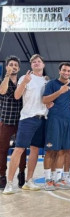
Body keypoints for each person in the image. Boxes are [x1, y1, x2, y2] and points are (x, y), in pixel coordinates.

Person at [3, 54, 48, 194]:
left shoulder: (47, 81)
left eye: (38, 61)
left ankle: (29, 181)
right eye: (33, 62)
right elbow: (16, 96)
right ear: (31, 65)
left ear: (43, 64)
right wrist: (24, 82)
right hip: (28, 118)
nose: (36, 63)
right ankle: (9, 183)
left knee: (35, 150)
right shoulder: (25, 78)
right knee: (19, 149)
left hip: (42, 119)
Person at [42, 62, 70, 191]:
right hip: (54, 119)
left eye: (68, 71)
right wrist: (60, 92)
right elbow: (44, 100)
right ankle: (47, 180)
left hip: (67, 121)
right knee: (51, 150)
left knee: (63, 150)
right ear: (59, 71)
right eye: (64, 70)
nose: (66, 73)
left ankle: (57, 179)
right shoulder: (51, 84)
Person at [0, 56, 26, 189]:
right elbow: (2, 91)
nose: (13, 67)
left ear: (19, 68)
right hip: (6, 121)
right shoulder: (3, 81)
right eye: (11, 64)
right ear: (6, 67)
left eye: (16, 65)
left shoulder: (22, 82)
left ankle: (21, 173)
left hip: (21, 121)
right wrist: (7, 76)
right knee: (2, 150)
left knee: (21, 149)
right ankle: (2, 176)